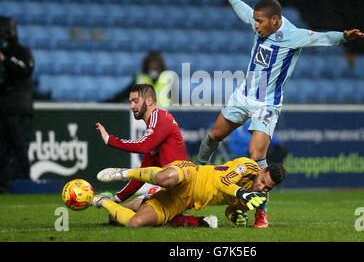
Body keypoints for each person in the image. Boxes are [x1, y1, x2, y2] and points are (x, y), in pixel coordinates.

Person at [197, 0, 364, 228]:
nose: (256, 26)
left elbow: (320, 37)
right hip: (243, 95)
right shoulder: (259, 23)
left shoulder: (293, 35)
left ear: (275, 20)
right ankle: (198, 172)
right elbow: (245, 12)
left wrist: (344, 37)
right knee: (212, 136)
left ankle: (261, 213)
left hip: (267, 104)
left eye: (260, 22)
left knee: (256, 155)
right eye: (255, 21)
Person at [96, 83, 215, 227]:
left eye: (135, 101)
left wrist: (110, 140)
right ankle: (200, 221)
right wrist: (116, 199)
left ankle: (189, 219)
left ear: (149, 101)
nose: (132, 106)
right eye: (130, 102)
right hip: (172, 190)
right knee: (116, 216)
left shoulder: (160, 117)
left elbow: (143, 145)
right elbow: (140, 175)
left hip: (182, 188)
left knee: (138, 216)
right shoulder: (154, 135)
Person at [93, 157, 287, 228]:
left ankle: (103, 201)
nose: (261, 188)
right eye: (262, 181)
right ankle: (125, 173)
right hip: (191, 175)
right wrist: (242, 194)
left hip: (183, 202)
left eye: (267, 188)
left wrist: (236, 215)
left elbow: (232, 207)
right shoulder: (248, 166)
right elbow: (223, 181)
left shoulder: (255, 197)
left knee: (133, 223)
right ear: (262, 171)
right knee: (164, 178)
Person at [0, 16, 34, 193]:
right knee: (3, 149)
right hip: (4, 109)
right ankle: (3, 186)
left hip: (18, 108)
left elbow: (25, 69)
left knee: (20, 147)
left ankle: (23, 183)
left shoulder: (21, 52)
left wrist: (5, 60)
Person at [105, 51, 177, 106]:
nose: (154, 65)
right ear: (147, 63)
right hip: (143, 115)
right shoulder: (140, 78)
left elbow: (175, 99)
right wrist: (109, 102)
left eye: (156, 62)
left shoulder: (168, 78)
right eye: (151, 62)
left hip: (163, 114)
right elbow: (126, 93)